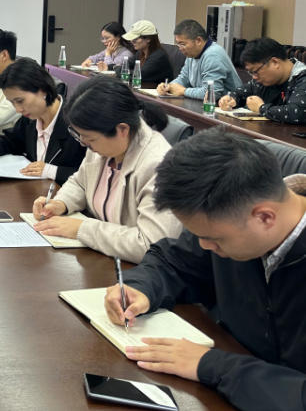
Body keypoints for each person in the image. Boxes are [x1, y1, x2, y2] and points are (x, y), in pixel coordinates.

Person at [105, 129, 306, 411]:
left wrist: (213, 365)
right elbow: (175, 260)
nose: (204, 246)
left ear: (265, 217)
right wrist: (141, 288)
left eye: (214, 239)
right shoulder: (232, 218)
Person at [31, 76, 182, 262]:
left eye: (90, 139)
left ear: (122, 130)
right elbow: (81, 182)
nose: (84, 144)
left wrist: (81, 229)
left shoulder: (158, 166)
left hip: (137, 272)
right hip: (102, 259)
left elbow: (150, 244)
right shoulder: (105, 145)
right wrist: (61, 203)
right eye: (80, 136)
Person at [0, 58, 86, 183]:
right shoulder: (31, 119)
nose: (18, 110)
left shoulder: (78, 126)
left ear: (42, 89)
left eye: (20, 101)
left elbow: (90, 176)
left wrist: (51, 171)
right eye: (12, 103)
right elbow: (10, 140)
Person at [218, 37, 306, 124]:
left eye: (255, 72)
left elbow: (297, 113)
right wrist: (231, 99)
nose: (254, 77)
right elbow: (240, 93)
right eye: (251, 73)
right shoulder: (264, 81)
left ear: (275, 62)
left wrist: (261, 108)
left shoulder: (302, 77)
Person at [158, 19, 241, 99]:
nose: (180, 48)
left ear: (198, 40)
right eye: (178, 44)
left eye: (182, 44)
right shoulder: (192, 54)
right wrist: (169, 87)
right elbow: (184, 78)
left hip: (228, 105)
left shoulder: (213, 55)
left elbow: (211, 94)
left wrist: (184, 91)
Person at [122, 20, 172, 86]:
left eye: (135, 39)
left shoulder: (158, 56)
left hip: (155, 91)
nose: (132, 41)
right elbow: (125, 66)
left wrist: (123, 71)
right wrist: (116, 67)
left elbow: (139, 75)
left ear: (148, 39)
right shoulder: (140, 53)